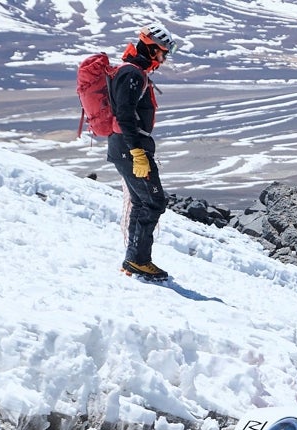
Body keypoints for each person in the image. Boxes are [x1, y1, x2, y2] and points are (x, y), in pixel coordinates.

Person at [109, 22, 178, 282]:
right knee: (154, 201)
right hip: (130, 148)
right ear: (151, 49)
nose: (163, 58)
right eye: (162, 52)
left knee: (142, 201)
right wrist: (137, 152)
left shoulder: (134, 72)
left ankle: (134, 259)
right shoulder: (133, 74)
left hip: (125, 147)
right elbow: (124, 115)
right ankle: (139, 261)